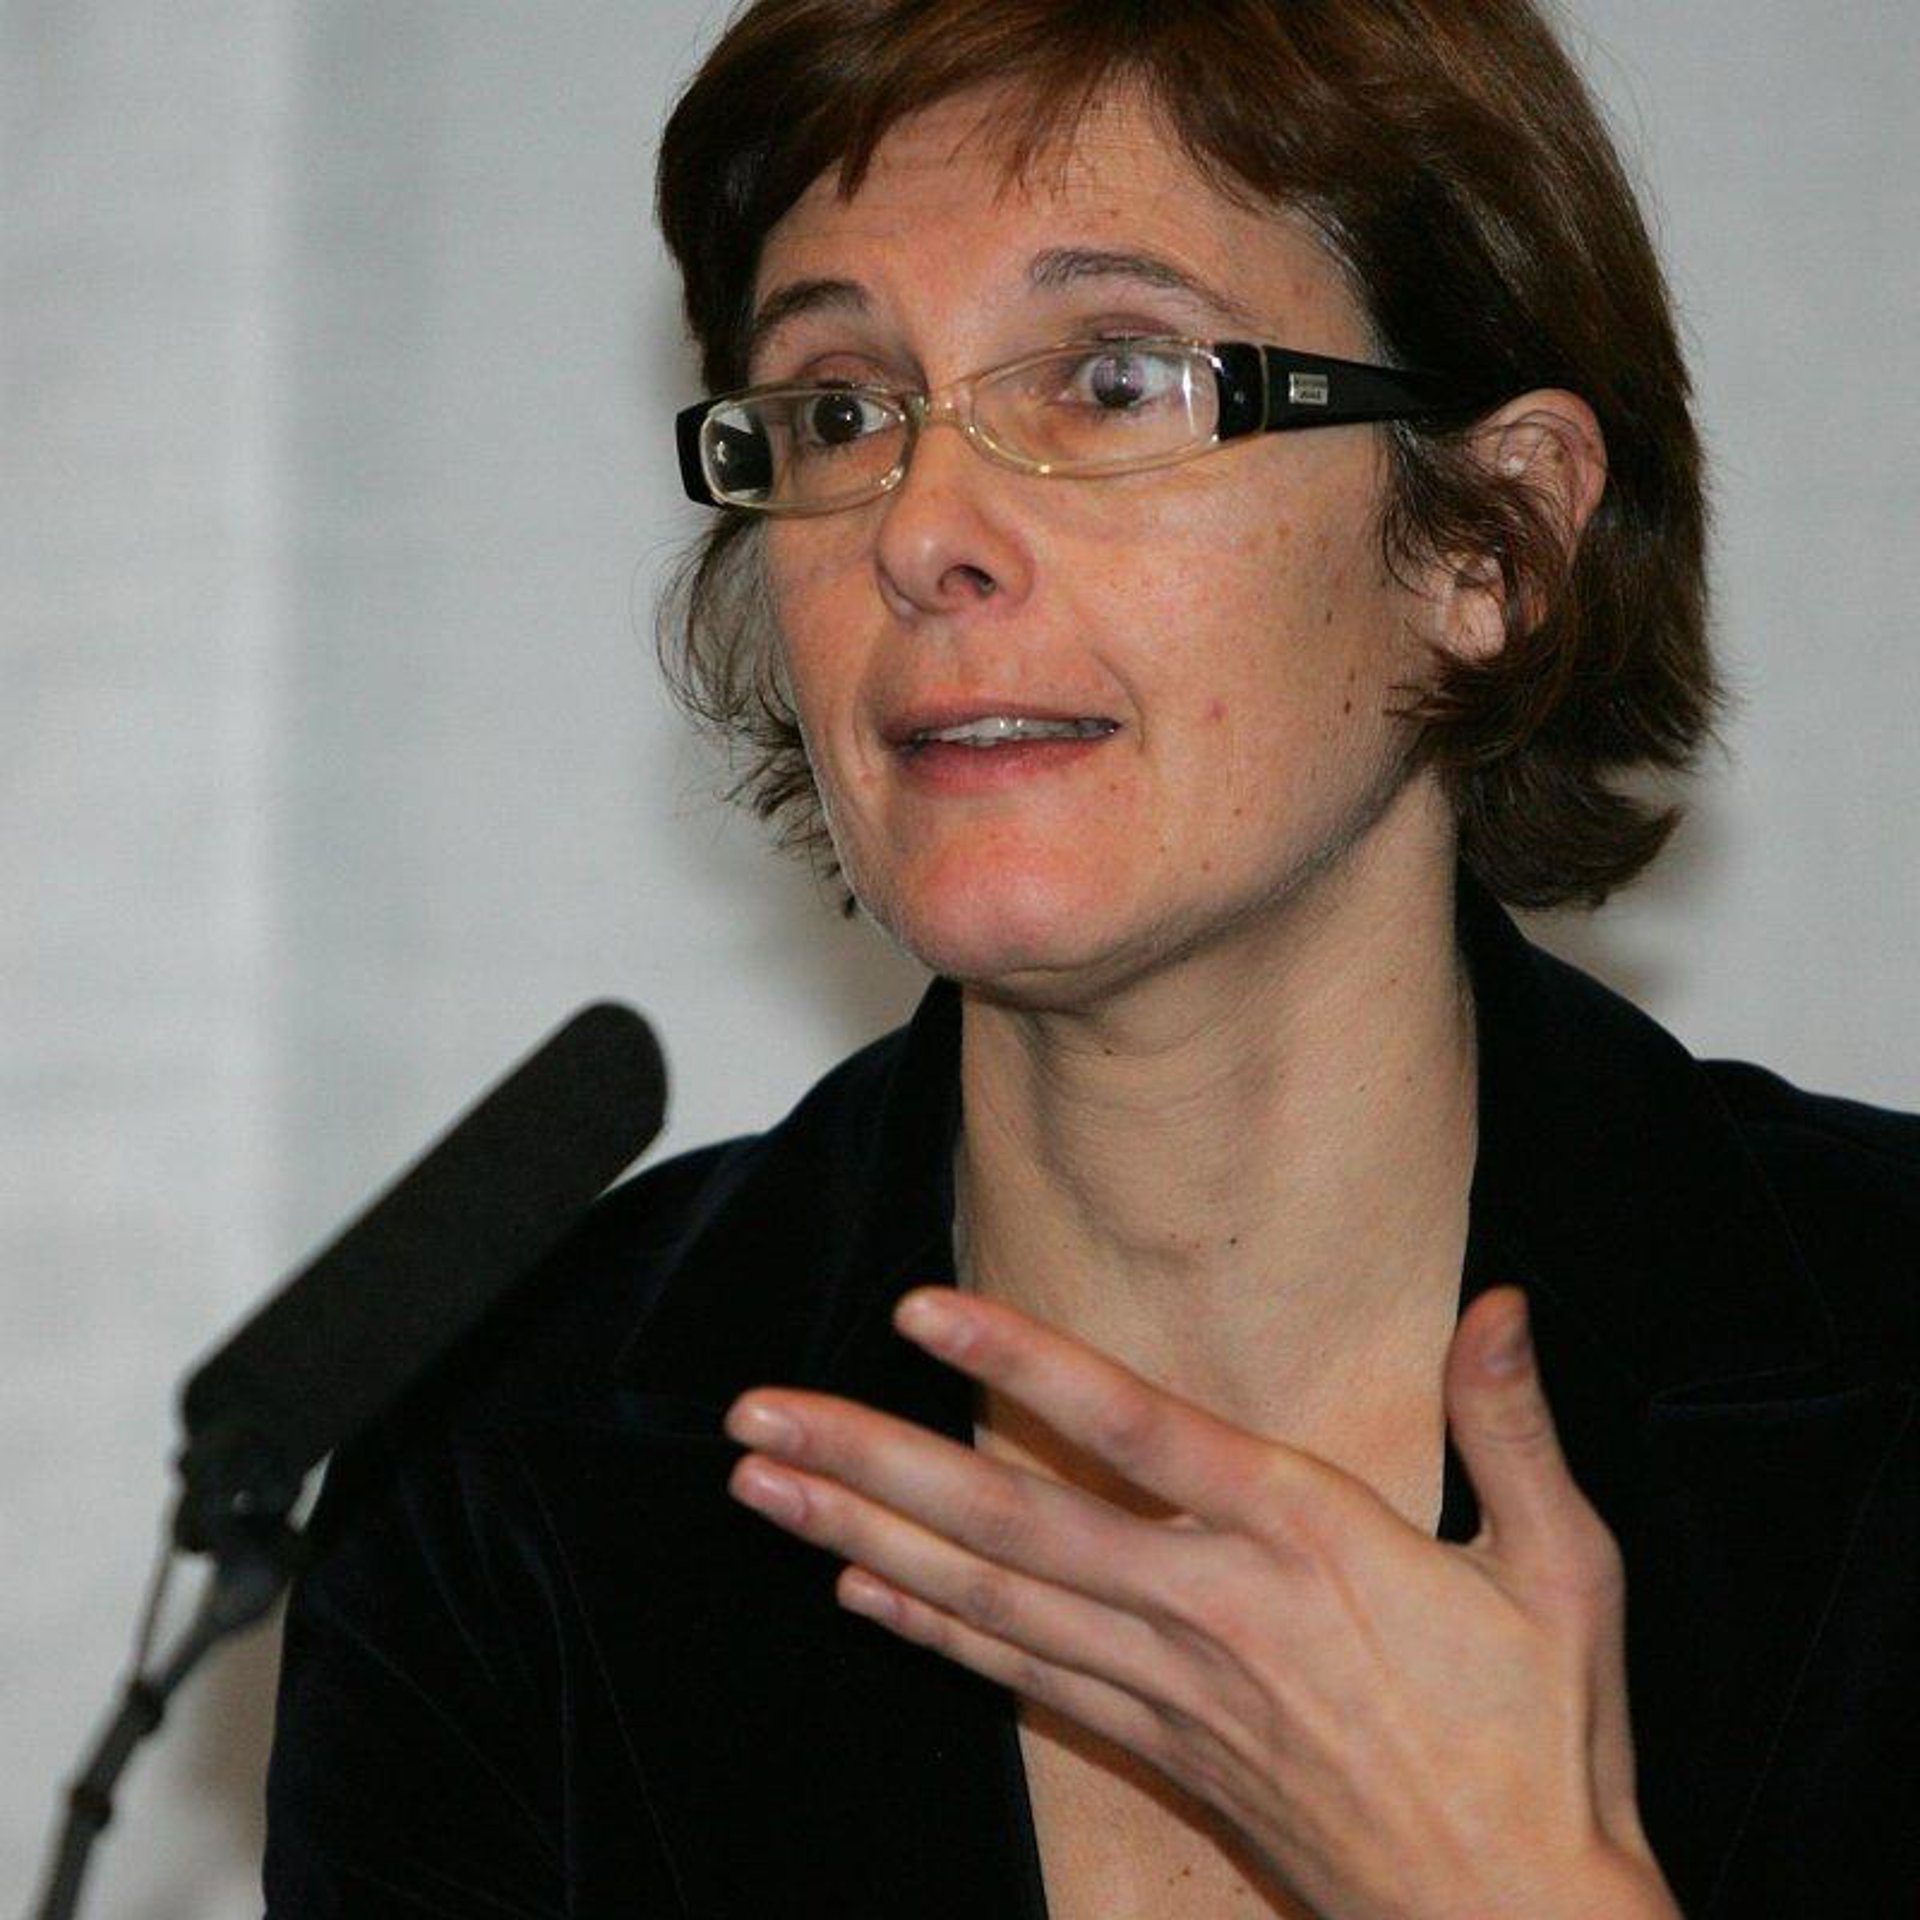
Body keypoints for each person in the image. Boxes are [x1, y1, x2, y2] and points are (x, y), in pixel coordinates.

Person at [263, 2, 1919, 1915]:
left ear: (1494, 546)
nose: (923, 531)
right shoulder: (509, 1476)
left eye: (1116, 380)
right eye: (838, 409)